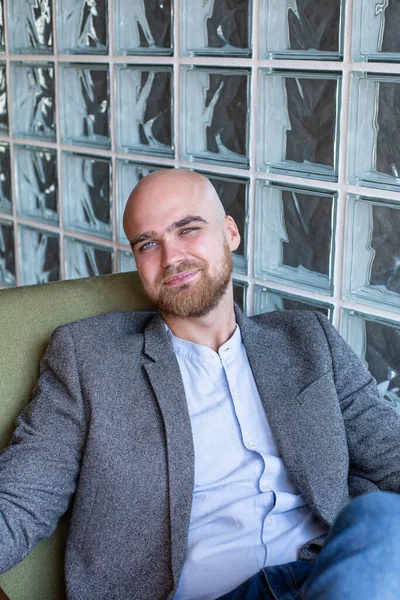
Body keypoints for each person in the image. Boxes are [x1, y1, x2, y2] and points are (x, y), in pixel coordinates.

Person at [1, 169, 400, 600]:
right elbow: (22, 500)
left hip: (331, 575)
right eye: (148, 243)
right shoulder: (88, 359)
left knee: (381, 518)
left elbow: (390, 457)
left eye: (188, 229)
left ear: (230, 233)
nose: (171, 257)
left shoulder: (307, 339)